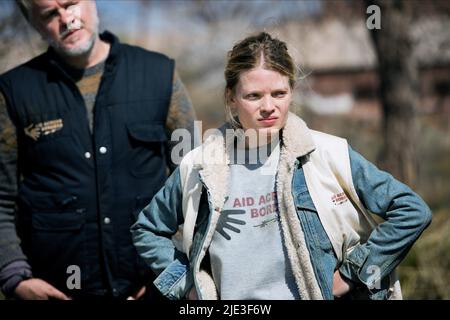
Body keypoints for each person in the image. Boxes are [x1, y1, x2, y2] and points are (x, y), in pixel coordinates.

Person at [130, 32, 432, 300]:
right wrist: (187, 285)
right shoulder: (198, 166)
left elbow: (411, 211)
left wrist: (353, 274)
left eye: (279, 93)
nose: (268, 107)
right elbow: (147, 229)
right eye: (253, 96)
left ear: (292, 91)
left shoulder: (328, 153)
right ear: (231, 98)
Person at [0, 0, 196, 300]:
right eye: (51, 14)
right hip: (58, 288)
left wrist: (171, 273)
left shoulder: (160, 74)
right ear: (36, 25)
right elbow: (2, 198)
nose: (67, 19)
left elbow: (195, 185)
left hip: (152, 287)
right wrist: (14, 276)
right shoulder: (13, 91)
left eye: (71, 4)